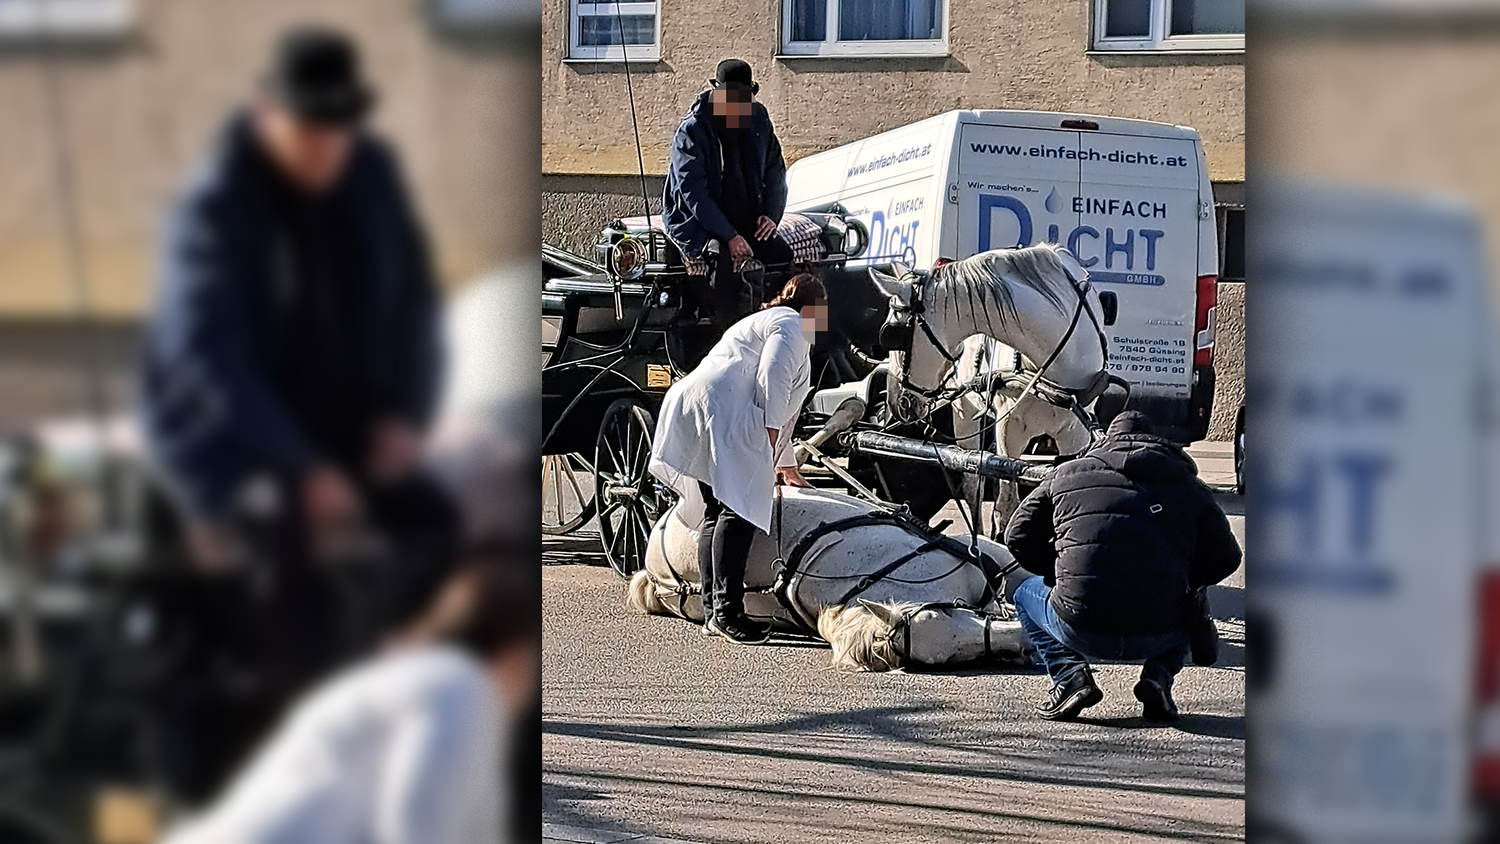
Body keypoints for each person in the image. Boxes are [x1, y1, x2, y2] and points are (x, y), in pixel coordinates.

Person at [137, 25, 458, 799]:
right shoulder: (214, 207)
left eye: (337, 132)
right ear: (265, 116)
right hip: (229, 442)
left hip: (344, 426)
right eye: (309, 132)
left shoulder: (369, 176)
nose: (324, 151)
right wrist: (304, 468)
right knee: (287, 575)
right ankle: (259, 766)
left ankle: (372, 707)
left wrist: (402, 422)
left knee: (431, 528)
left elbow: (415, 310)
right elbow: (209, 368)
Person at [1004, 410, 1242, 722]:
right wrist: (1188, 577)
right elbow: (1227, 557)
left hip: (1080, 626)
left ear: (1105, 441)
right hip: (1159, 630)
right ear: (1157, 443)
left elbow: (1016, 534)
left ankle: (1070, 677)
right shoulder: (1188, 485)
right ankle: (1157, 678)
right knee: (1189, 596)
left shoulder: (1065, 475)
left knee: (1024, 593)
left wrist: (1056, 570)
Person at [649, 275, 826, 644]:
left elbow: (781, 397)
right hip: (726, 413)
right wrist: (771, 432)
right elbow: (774, 377)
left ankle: (714, 610)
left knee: (717, 510)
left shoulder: (771, 319)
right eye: (823, 308)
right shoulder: (792, 325)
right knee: (738, 512)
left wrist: (786, 464)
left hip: (705, 406)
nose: (825, 317)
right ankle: (729, 613)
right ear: (813, 307)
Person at [662, 58, 792, 331]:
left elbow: (775, 171)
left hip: (746, 212)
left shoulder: (758, 119)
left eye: (742, 100)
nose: (736, 107)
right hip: (697, 221)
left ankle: (779, 330)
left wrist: (771, 215)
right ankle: (728, 337)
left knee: (783, 257)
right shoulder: (693, 129)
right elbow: (692, 192)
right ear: (715, 94)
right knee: (721, 266)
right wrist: (729, 235)